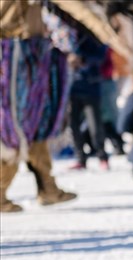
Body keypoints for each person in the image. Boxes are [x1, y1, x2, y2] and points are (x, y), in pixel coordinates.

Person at [0, 0, 77, 212]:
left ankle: (48, 189)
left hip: (32, 57)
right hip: (13, 58)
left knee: (37, 126)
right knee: (14, 133)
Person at [68, 28, 110, 171]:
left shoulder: (92, 34)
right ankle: (80, 158)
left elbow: (102, 54)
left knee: (95, 125)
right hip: (71, 88)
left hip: (91, 87)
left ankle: (102, 157)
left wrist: (82, 59)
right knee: (73, 125)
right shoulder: (64, 35)